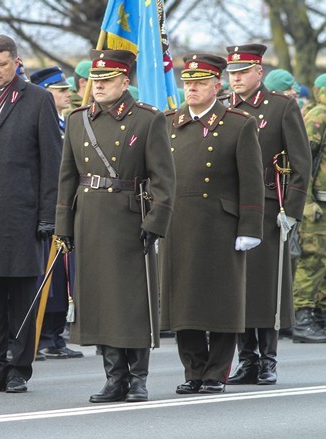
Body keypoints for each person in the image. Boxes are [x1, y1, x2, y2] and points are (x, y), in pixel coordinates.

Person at [55, 50, 175, 402]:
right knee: (101, 300)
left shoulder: (147, 119)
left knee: (131, 302)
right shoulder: (78, 120)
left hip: (129, 217)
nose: (101, 86)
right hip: (90, 216)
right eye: (97, 80)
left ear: (125, 82)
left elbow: (164, 178)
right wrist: (64, 223)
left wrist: (156, 219)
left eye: (108, 80)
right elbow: (67, 177)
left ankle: (137, 378)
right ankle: (113, 377)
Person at [0, 35, 61, 394]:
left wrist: (48, 216)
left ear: (16, 63)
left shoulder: (38, 100)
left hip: (21, 217)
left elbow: (52, 162)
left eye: (1, 64)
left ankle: (18, 367)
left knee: (21, 299)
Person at [161, 53, 264, 395]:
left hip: (221, 223)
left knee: (221, 301)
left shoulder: (238, 123)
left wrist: (250, 226)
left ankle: (217, 371)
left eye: (200, 83)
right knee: (184, 302)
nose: (191, 89)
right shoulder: (168, 123)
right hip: (178, 222)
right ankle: (193, 369)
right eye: (188, 83)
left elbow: (251, 180)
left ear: (216, 86)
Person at [224, 44, 310, 385]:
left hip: (268, 205)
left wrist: (292, 211)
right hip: (230, 207)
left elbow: (300, 165)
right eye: (232, 73)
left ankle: (268, 359)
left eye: (243, 72)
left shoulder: (280, 107)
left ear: (259, 72)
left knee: (265, 286)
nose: (236, 79)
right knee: (238, 287)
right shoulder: (222, 109)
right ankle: (246, 359)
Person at [29, 65, 84, 360]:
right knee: (45, 274)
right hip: (47, 207)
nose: (68, 94)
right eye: (61, 90)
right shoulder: (42, 121)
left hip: (67, 207)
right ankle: (38, 335)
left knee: (63, 277)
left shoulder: (66, 123)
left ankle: (53, 334)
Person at [292, 73, 326, 343]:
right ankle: (302, 317)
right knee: (312, 260)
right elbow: (302, 160)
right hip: (316, 203)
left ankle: (318, 315)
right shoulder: (318, 115)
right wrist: (306, 200)